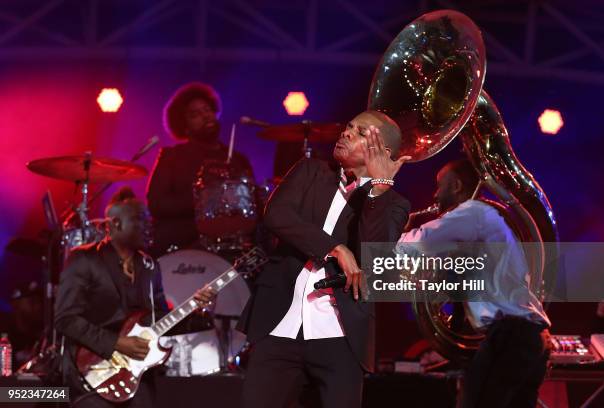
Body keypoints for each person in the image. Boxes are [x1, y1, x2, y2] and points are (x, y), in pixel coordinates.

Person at [237, 110, 411, 408]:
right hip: (280, 322)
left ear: (381, 152)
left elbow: (375, 256)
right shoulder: (310, 171)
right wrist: (335, 248)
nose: (346, 133)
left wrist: (379, 190)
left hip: (340, 334)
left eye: (359, 133)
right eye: (349, 125)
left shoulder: (394, 204)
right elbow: (276, 215)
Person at [398, 159, 552, 408]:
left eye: (440, 186)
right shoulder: (480, 225)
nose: (435, 194)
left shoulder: (473, 212)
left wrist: (397, 232)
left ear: (457, 185)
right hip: (529, 338)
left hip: (511, 335)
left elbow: (417, 245)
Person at [55, 187, 215, 407]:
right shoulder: (84, 259)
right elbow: (66, 319)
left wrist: (197, 310)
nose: (149, 224)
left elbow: (159, 319)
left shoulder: (149, 265)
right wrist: (117, 344)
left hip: (137, 379)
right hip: (91, 375)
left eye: (148, 218)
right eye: (140, 219)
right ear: (116, 224)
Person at [146, 82, 253, 256]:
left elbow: (251, 204)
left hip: (231, 246)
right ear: (184, 125)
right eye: (195, 114)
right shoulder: (172, 156)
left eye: (207, 110)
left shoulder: (238, 159)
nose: (205, 116)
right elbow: (156, 204)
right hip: (183, 245)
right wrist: (206, 201)